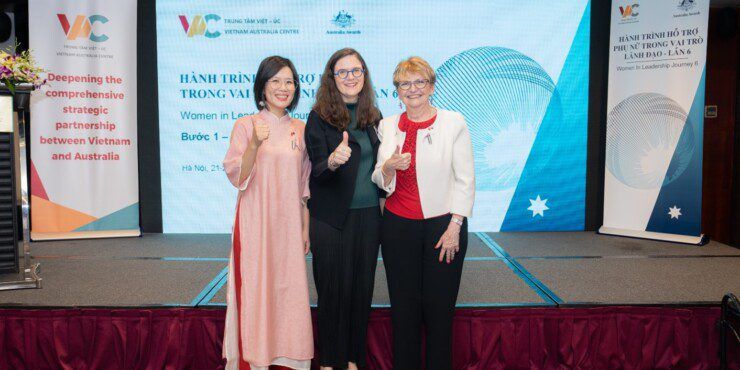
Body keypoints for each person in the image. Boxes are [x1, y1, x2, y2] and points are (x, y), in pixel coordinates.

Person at [372, 56, 475, 370]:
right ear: (397, 91)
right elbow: (378, 176)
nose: (412, 89)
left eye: (419, 82)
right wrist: (388, 167)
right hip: (398, 227)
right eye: (405, 84)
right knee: (404, 312)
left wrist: (455, 225)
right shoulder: (387, 125)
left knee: (439, 312)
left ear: (431, 86)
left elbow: (465, 178)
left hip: (443, 228)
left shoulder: (453, 122)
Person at [222, 56, 313, 370]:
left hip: (289, 226)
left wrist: (305, 228)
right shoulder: (246, 125)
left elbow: (304, 186)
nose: (283, 88)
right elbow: (238, 176)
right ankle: (255, 359)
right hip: (255, 224)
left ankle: (290, 360)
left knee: (289, 292)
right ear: (262, 86)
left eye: (289, 81)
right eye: (275, 81)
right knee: (257, 289)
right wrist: (253, 146)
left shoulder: (301, 129)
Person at [304, 48, 384, 370]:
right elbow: (317, 172)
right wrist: (332, 162)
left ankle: (353, 360)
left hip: (369, 217)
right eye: (343, 72)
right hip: (330, 219)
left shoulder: (374, 117)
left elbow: (380, 167)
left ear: (364, 76)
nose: (350, 77)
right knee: (332, 293)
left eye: (356, 71)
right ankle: (329, 362)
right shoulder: (319, 117)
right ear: (331, 78)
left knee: (361, 291)